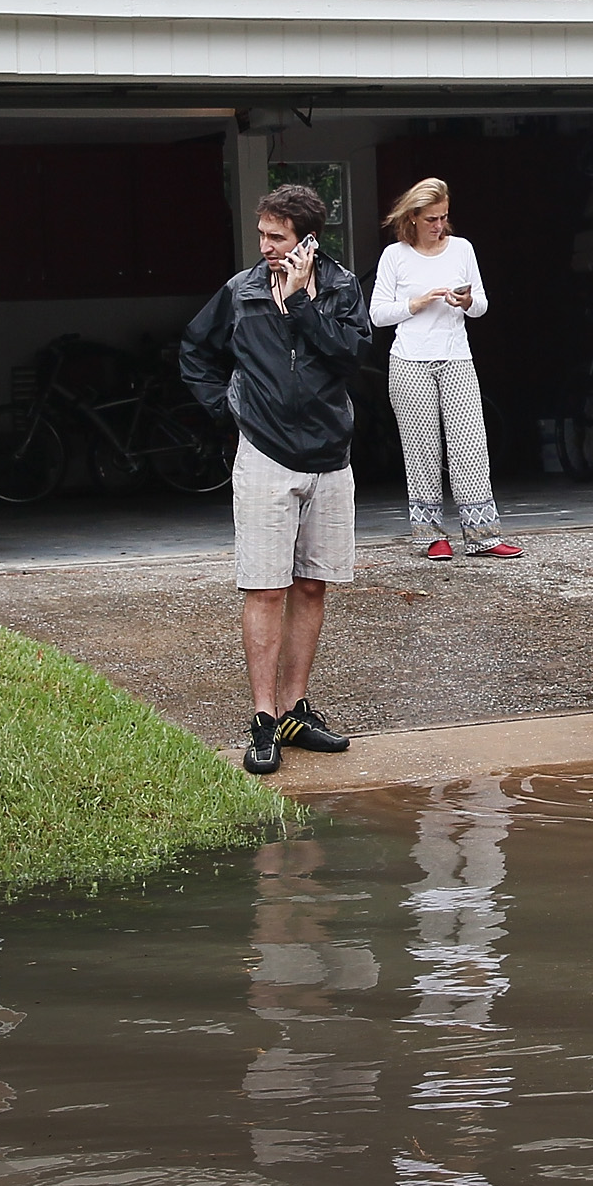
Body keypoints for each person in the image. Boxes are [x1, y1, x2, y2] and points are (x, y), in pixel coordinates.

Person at [179, 182, 373, 776]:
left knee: (312, 586)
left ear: (307, 241)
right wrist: (229, 409)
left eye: (276, 236)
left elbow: (352, 356)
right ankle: (263, 718)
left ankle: (294, 710)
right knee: (264, 588)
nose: (264, 245)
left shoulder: (340, 287)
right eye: (261, 234)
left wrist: (302, 305)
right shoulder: (240, 291)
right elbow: (195, 350)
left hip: (330, 456)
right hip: (264, 453)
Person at [368, 177, 513, 562]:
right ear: (413, 217)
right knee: (421, 451)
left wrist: (465, 301)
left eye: (444, 217)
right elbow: (377, 314)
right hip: (409, 360)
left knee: (471, 446)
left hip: (456, 357)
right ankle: (431, 536)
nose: (438, 225)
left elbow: (481, 305)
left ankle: (483, 535)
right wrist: (415, 304)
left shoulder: (462, 249)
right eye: (431, 218)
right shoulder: (395, 256)